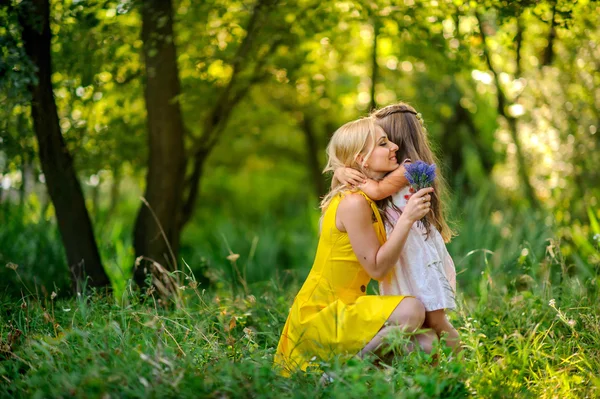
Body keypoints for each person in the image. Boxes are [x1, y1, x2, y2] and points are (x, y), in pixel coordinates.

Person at [274, 117, 436, 377]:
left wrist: (340, 170)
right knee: (412, 309)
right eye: (383, 143)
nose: (394, 146)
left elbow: (381, 186)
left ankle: (360, 375)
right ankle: (345, 374)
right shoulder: (353, 203)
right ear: (362, 159)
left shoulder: (366, 198)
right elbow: (377, 268)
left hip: (349, 308)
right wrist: (407, 218)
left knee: (428, 345)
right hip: (320, 314)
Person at [334, 103, 460, 351]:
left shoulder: (408, 169)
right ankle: (431, 373)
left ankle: (464, 367)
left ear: (396, 138)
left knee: (436, 320)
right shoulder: (390, 171)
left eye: (383, 140)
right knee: (420, 320)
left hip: (417, 253)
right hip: (404, 255)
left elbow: (376, 190)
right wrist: (342, 170)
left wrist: (344, 172)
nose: (387, 147)